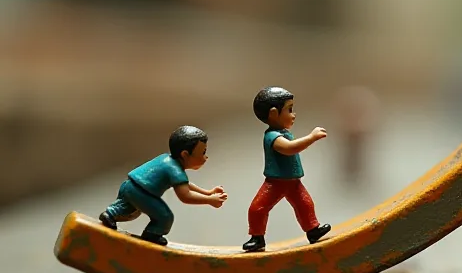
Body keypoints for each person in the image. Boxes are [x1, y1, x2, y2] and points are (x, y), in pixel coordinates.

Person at [99, 126, 227, 245]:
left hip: (129, 186)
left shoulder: (166, 159)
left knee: (129, 210)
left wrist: (208, 192)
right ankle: (151, 236)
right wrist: (210, 200)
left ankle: (110, 214)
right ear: (185, 154)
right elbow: (185, 196)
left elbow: (185, 184)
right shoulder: (174, 169)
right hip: (142, 193)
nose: (206, 157)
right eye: (203, 153)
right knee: (165, 217)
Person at [244, 86, 331, 252]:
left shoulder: (283, 132)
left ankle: (313, 230)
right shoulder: (273, 137)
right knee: (257, 208)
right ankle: (257, 237)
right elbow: (290, 148)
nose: (294, 114)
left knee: (305, 204)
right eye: (289, 109)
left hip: (293, 181)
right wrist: (311, 137)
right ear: (273, 114)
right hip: (275, 182)